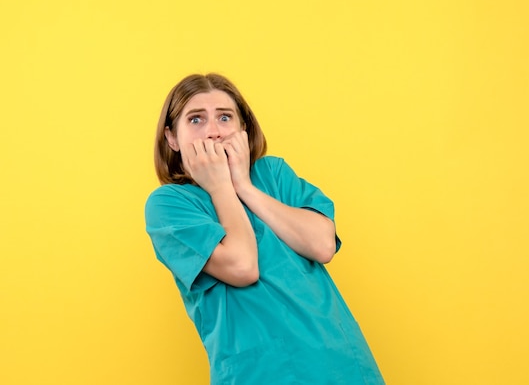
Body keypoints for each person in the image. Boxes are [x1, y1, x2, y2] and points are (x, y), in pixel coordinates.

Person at [144, 72, 385, 384]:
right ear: (171, 138)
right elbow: (243, 266)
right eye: (195, 120)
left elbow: (323, 245)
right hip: (260, 372)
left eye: (225, 117)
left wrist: (244, 185)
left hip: (340, 363)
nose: (214, 131)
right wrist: (220, 188)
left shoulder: (273, 173)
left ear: (244, 129)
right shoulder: (170, 205)